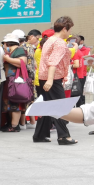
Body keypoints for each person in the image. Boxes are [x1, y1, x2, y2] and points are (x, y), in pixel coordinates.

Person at [34, 17, 77, 145]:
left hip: (43, 76)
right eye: (69, 29)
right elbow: (53, 62)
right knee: (60, 106)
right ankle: (63, 136)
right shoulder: (59, 42)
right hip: (52, 77)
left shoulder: (49, 40)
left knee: (47, 106)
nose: (69, 33)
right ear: (64, 29)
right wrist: (50, 80)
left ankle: (40, 135)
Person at [0, 34, 29, 132]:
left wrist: (8, 59)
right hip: (10, 79)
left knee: (15, 102)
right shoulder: (11, 51)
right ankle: (11, 124)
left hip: (16, 80)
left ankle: (14, 125)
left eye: (4, 44)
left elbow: (22, 62)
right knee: (10, 102)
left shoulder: (19, 50)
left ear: (7, 43)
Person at [72, 35, 90, 106]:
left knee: (77, 94)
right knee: (79, 93)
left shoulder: (75, 52)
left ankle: (79, 108)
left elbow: (76, 65)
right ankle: (81, 108)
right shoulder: (78, 51)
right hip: (80, 74)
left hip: (77, 75)